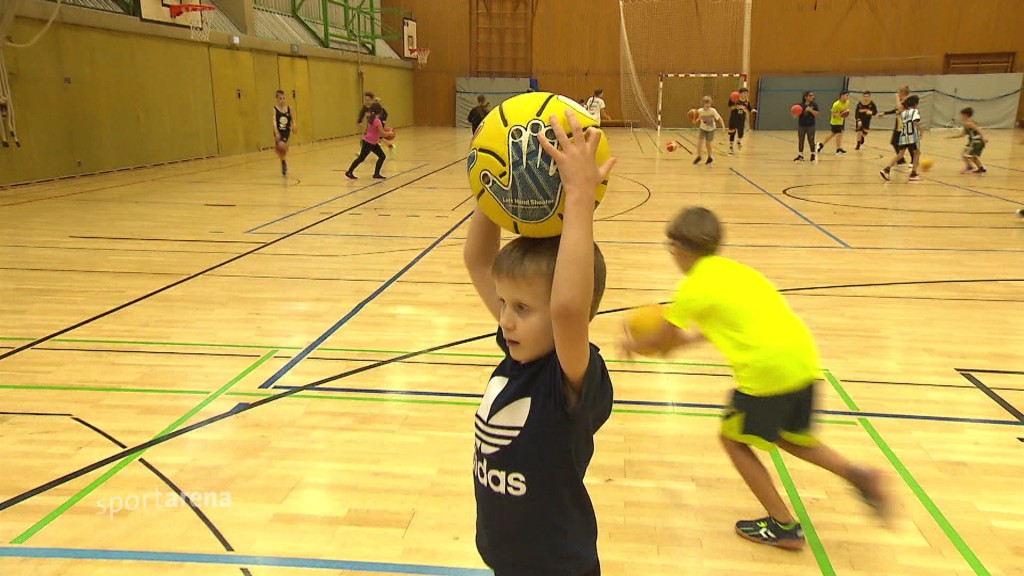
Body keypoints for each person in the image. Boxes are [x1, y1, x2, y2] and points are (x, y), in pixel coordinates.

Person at [620, 206, 889, 550]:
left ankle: (783, 526)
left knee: (732, 440)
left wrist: (633, 343)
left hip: (767, 373)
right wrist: (673, 342)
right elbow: (725, 325)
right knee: (792, 439)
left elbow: (660, 344)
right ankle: (859, 475)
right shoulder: (736, 272)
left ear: (680, 248)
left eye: (669, 246)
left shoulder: (693, 287)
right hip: (803, 362)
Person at [463, 110, 616, 576]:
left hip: (557, 566)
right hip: (507, 558)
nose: (504, 319)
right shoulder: (520, 346)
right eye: (504, 303)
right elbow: (477, 262)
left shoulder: (566, 376)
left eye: (522, 309)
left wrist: (579, 197)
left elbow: (568, 308)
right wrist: (492, 184)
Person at [880, 95, 922, 182]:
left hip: (903, 136)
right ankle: (913, 174)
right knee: (917, 153)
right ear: (915, 104)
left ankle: (886, 170)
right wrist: (920, 131)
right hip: (912, 136)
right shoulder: (914, 111)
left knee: (900, 155)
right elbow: (915, 122)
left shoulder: (903, 113)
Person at [345, 103, 389, 180]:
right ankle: (349, 171)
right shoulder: (377, 121)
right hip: (369, 143)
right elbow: (382, 133)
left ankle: (376, 174)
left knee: (382, 156)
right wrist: (390, 133)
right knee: (361, 158)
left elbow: (375, 132)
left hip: (372, 142)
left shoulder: (371, 119)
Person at [949, 107, 988, 174]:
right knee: (971, 156)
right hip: (973, 141)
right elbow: (962, 135)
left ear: (965, 115)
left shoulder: (969, 123)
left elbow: (979, 129)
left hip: (977, 141)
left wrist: (984, 137)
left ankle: (969, 167)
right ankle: (980, 168)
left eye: (961, 115)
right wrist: (952, 137)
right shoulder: (966, 124)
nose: (960, 117)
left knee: (966, 155)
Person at [878, 85, 911, 164]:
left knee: (908, 146)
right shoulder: (902, 101)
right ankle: (901, 159)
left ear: (903, 93)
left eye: (899, 92)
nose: (898, 93)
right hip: (898, 126)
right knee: (894, 142)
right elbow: (896, 110)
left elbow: (899, 108)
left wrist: (896, 98)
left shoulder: (907, 101)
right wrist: (884, 113)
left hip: (904, 126)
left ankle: (910, 161)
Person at [693, 95, 724, 165]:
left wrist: (723, 127)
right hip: (703, 128)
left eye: (709, 103)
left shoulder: (713, 111)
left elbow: (719, 119)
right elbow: (697, 119)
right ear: (703, 104)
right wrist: (694, 120)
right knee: (699, 142)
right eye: (706, 103)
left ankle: (710, 157)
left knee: (708, 144)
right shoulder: (700, 111)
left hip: (711, 129)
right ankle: (699, 156)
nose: (707, 105)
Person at [816, 91, 850, 155]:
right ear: (842, 96)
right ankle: (838, 149)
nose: (847, 97)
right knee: (839, 134)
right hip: (834, 122)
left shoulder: (847, 102)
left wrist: (845, 113)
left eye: (848, 96)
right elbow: (833, 114)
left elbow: (846, 110)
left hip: (840, 121)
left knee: (832, 134)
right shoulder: (836, 104)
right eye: (846, 95)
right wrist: (840, 114)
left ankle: (821, 144)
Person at [273, 90, 295, 176]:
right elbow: (274, 121)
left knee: (284, 149)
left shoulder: (288, 108)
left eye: (283, 98)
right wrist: (276, 131)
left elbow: (292, 119)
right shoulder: (275, 109)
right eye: (280, 98)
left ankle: (283, 160)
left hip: (286, 131)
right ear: (277, 99)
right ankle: (283, 162)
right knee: (281, 147)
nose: (282, 100)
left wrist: (294, 125)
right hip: (278, 131)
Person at [727, 87, 754, 154]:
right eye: (744, 93)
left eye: (746, 93)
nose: (746, 95)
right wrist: (737, 106)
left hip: (741, 120)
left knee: (741, 133)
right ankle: (731, 147)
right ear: (740, 94)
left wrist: (752, 110)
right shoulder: (734, 99)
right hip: (733, 119)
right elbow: (730, 106)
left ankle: (738, 141)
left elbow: (749, 109)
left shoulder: (747, 101)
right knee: (732, 133)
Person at [794, 91, 819, 162]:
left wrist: (811, 110)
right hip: (801, 125)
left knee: (811, 140)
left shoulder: (814, 105)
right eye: (810, 95)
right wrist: (796, 114)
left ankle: (812, 155)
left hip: (811, 125)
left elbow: (817, 114)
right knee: (801, 140)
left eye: (812, 95)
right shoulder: (800, 105)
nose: (812, 97)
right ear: (806, 97)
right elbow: (797, 113)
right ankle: (800, 155)